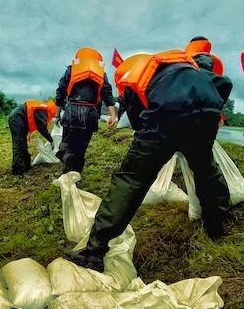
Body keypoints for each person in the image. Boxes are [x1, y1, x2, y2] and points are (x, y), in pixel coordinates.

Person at [63, 50, 231, 272]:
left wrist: (153, 148)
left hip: (163, 121)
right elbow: (224, 84)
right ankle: (217, 226)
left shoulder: (135, 77)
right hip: (205, 118)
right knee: (205, 169)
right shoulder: (196, 72)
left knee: (130, 180)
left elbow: (138, 122)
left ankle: (94, 251)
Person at [54, 47, 116, 174]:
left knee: (67, 143)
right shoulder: (101, 73)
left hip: (72, 111)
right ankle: (76, 176)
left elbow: (60, 91)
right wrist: (112, 116)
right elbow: (107, 94)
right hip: (90, 113)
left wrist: (57, 115)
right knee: (81, 148)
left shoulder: (71, 70)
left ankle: (66, 157)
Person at [8, 99, 58, 175]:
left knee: (23, 143)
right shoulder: (43, 110)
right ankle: (18, 170)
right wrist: (51, 141)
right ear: (53, 110)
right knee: (18, 144)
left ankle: (26, 165)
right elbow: (42, 128)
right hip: (17, 118)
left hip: (19, 118)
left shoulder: (43, 108)